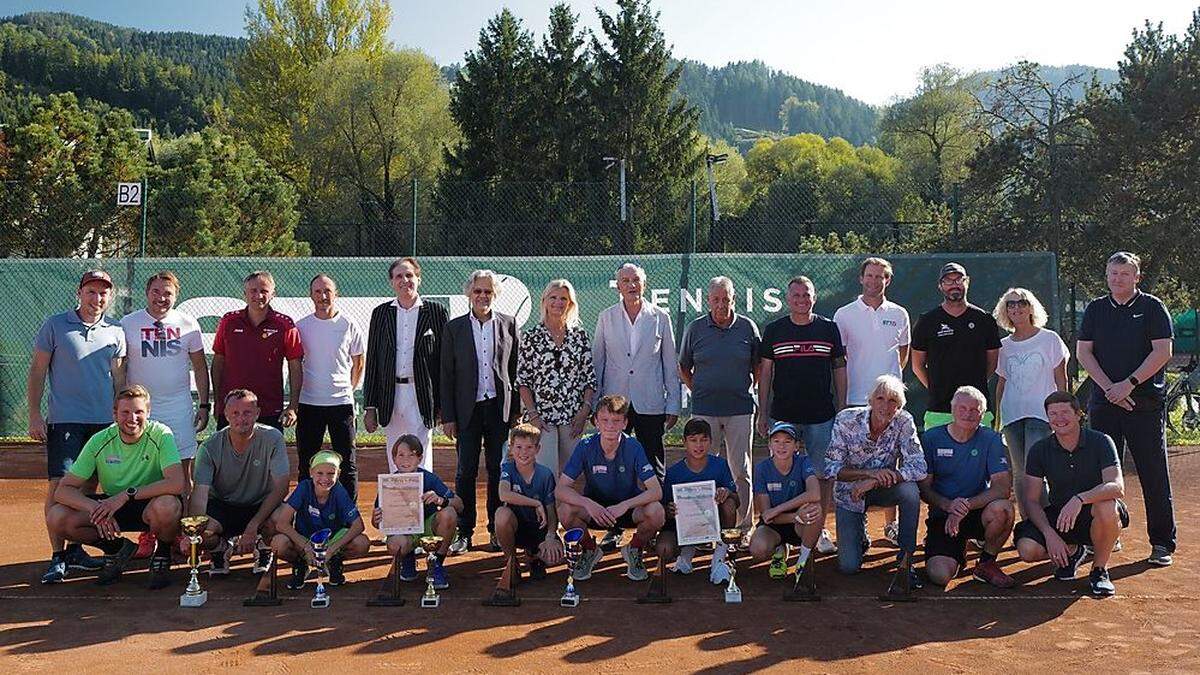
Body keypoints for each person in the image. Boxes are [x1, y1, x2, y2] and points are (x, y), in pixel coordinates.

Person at [1076, 251, 1174, 567]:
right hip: (1105, 403)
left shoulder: (1152, 307)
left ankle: (1162, 543)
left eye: (1124, 273)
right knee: (1101, 474)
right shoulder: (1095, 309)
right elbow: (1083, 353)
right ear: (1107, 276)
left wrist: (1128, 384)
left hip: (1144, 405)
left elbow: (1163, 352)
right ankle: (1107, 534)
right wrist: (1108, 388)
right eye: (1113, 273)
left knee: (1153, 473)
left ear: (1136, 277)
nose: (1118, 279)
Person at [31, 269, 126, 583]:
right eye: (91, 292)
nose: (97, 298)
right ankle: (57, 556)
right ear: (79, 293)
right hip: (66, 421)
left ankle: (76, 552)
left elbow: (119, 378)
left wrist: (120, 417)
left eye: (103, 293)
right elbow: (38, 372)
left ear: (109, 296)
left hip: (103, 422)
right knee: (60, 487)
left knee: (88, 487)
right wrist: (34, 414)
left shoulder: (116, 330)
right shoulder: (55, 325)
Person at [45, 385, 183, 589]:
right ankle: (117, 549)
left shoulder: (161, 435)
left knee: (168, 505)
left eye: (139, 412)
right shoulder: (99, 440)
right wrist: (95, 509)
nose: (132, 418)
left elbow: (177, 482)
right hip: (111, 508)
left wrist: (127, 495)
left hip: (149, 505)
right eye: (125, 412)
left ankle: (161, 556)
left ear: (149, 412)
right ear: (115, 414)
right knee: (57, 516)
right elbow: (63, 490)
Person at [757, 275, 846, 554]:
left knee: (822, 476)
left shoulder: (829, 329)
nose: (801, 300)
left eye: (806, 295)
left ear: (814, 298)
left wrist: (842, 408)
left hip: (822, 415)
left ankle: (817, 528)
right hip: (783, 415)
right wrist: (762, 411)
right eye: (796, 296)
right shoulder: (774, 330)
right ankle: (781, 529)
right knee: (783, 470)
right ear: (787, 299)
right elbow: (766, 372)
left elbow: (839, 369)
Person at [1014, 391, 1129, 597]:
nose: (1059, 419)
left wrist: (1080, 499)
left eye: (1065, 412)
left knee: (1107, 505)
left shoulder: (1101, 441)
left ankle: (1099, 570)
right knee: (1027, 550)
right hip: (1061, 517)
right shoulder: (1040, 449)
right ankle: (1073, 551)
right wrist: (1049, 534)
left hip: (1094, 514)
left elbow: (1117, 487)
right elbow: (1031, 500)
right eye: (1053, 414)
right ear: (1047, 419)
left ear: (1078, 415)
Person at [441, 269, 520, 554]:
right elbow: (446, 374)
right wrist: (447, 416)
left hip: (499, 409)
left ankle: (496, 531)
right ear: (469, 294)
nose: (483, 296)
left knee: (498, 470)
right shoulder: (454, 328)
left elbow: (514, 370)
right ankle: (464, 531)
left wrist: (516, 412)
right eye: (478, 291)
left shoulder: (509, 324)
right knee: (465, 471)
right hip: (467, 410)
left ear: (494, 294)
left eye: (488, 291)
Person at [834, 257, 910, 546]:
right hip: (856, 399)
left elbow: (902, 354)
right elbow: (840, 359)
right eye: (870, 275)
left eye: (881, 276)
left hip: (891, 403)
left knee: (892, 461)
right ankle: (859, 521)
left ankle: (892, 525)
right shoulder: (844, 314)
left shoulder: (900, 314)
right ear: (861, 278)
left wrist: (889, 391)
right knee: (857, 464)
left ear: (887, 280)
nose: (875, 281)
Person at [678, 276, 760, 535]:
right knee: (703, 470)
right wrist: (699, 389)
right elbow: (683, 366)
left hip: (740, 409)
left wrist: (746, 388)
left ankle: (743, 527)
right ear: (708, 300)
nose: (721, 304)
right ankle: (704, 527)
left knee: (741, 469)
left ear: (733, 299)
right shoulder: (695, 328)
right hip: (704, 409)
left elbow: (758, 365)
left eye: (726, 299)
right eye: (716, 299)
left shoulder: (747, 327)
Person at [824, 375, 926, 581]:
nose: (886, 406)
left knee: (910, 492)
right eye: (880, 398)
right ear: (870, 400)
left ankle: (905, 561)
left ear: (899, 405)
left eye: (892, 401)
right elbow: (830, 468)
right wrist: (868, 474)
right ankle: (859, 536)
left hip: (884, 489)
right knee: (849, 566)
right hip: (850, 495)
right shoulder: (846, 419)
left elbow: (919, 466)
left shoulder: (904, 421)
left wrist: (873, 481)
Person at [555, 394, 666, 582]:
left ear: (625, 423)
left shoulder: (634, 446)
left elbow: (656, 491)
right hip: (596, 511)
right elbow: (560, 489)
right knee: (565, 510)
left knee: (656, 512)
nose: (610, 426)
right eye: (605, 420)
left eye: (616, 421)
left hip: (627, 510)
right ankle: (590, 550)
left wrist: (625, 505)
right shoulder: (585, 446)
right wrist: (587, 503)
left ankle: (634, 548)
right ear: (596, 422)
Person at [918, 386, 1016, 588]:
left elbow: (1002, 488)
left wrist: (965, 506)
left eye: (974, 410)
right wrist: (948, 506)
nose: (968, 414)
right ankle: (954, 551)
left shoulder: (991, 439)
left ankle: (986, 563)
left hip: (977, 511)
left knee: (1004, 509)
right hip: (943, 515)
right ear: (952, 410)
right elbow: (924, 488)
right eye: (962, 408)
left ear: (982, 414)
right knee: (940, 576)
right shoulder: (930, 439)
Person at [121, 270, 210, 492]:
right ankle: (152, 524)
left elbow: (200, 367)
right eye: (156, 292)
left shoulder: (188, 323)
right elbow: (119, 368)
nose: (161, 297)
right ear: (147, 293)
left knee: (183, 473)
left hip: (178, 409)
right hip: (140, 411)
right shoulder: (127, 323)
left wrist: (204, 405)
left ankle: (185, 525)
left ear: (176, 295)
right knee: (144, 470)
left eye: (167, 293)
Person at [187, 389, 290, 575]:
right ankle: (219, 548)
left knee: (282, 517)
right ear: (225, 414)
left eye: (247, 413)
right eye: (235, 413)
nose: (241, 419)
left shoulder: (273, 438)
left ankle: (263, 546)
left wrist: (253, 526)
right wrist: (193, 534)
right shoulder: (209, 447)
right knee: (203, 530)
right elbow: (200, 495)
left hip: (260, 505)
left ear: (257, 413)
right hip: (223, 507)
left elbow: (281, 487)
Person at [593, 262, 681, 478]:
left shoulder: (661, 317)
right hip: (615, 404)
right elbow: (597, 363)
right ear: (619, 287)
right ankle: (616, 510)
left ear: (644, 284)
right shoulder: (606, 317)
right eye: (626, 281)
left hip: (650, 403)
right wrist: (596, 404)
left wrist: (674, 404)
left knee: (653, 462)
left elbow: (670, 364)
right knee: (614, 461)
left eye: (636, 281)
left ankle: (656, 510)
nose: (631, 285)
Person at [364, 257, 449, 473]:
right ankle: (397, 504)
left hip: (421, 395)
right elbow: (373, 359)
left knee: (420, 454)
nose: (405, 281)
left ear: (419, 279)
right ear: (392, 282)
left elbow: (444, 362)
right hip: (390, 395)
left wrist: (443, 405)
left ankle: (423, 503)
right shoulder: (381, 313)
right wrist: (370, 406)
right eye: (399, 276)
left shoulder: (436, 312)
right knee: (396, 453)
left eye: (409, 275)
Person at [992, 287, 1068, 519]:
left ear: (1031, 306)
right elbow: (1001, 383)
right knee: (1019, 473)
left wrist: (1064, 412)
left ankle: (1046, 521)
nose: (1016, 308)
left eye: (1021, 302)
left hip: (1041, 415)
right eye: (1011, 304)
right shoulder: (1004, 345)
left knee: (1036, 471)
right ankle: (1028, 525)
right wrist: (997, 417)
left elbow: (1061, 378)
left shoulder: (1050, 339)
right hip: (1012, 415)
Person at [296, 273, 365, 499]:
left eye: (327, 291)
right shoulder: (301, 326)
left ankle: (349, 518)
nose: (323, 296)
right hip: (309, 403)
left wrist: (348, 389)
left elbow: (358, 360)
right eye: (318, 291)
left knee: (347, 463)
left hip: (341, 404)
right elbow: (295, 363)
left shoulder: (348, 324)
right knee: (307, 462)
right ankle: (305, 514)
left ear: (336, 294)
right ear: (310, 295)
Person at [517, 279, 597, 472]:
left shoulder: (580, 336)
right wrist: (533, 415)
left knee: (570, 473)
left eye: (563, 299)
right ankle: (546, 504)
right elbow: (523, 381)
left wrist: (584, 412)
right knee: (547, 472)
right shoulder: (531, 337)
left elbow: (589, 378)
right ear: (544, 301)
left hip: (573, 417)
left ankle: (566, 504)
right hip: (542, 418)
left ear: (570, 304)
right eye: (553, 298)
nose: (558, 303)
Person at [911, 262, 1002, 429]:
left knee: (979, 454)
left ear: (967, 282)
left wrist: (976, 384)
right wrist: (935, 387)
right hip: (939, 409)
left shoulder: (985, 320)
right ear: (940, 286)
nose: (954, 285)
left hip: (977, 408)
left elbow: (992, 363)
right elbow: (917, 365)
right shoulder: (927, 321)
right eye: (948, 281)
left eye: (959, 280)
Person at [211, 271, 303, 431]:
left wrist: (293, 406)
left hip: (269, 408)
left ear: (273, 294)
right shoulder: (229, 321)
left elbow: (295, 365)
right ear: (244, 294)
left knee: (268, 456)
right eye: (253, 291)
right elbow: (218, 361)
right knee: (227, 456)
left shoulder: (284, 324)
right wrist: (218, 402)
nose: (258, 295)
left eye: (264, 291)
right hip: (233, 408)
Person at [371, 435, 460, 591]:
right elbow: (378, 523)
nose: (406, 460)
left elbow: (459, 504)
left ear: (419, 458)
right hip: (404, 532)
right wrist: (375, 519)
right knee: (394, 545)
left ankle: (436, 563)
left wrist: (441, 500)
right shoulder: (388, 483)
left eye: (412, 455)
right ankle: (407, 559)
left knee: (449, 513)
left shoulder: (429, 478)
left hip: (428, 528)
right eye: (401, 455)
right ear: (394, 459)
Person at [270, 451, 370, 589]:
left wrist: (332, 549)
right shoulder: (304, 487)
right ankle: (300, 563)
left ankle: (334, 561)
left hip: (331, 541)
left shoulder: (339, 491)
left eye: (331, 473)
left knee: (362, 543)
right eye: (320, 473)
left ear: (338, 474)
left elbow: (358, 526)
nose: (325, 478)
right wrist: (305, 546)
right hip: (304, 540)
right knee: (278, 543)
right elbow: (282, 524)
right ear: (311, 472)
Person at [657, 418, 739, 584]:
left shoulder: (721, 465)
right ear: (684, 442)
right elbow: (663, 509)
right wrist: (669, 509)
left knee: (729, 504)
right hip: (682, 529)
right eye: (693, 440)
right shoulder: (674, 473)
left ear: (711, 442)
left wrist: (727, 492)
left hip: (712, 524)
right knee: (664, 549)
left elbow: (737, 500)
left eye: (703, 440)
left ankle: (719, 560)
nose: (698, 445)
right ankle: (686, 553)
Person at [746, 422, 823, 580]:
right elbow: (767, 515)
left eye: (787, 441)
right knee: (758, 550)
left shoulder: (804, 462)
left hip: (800, 524)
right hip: (774, 524)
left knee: (815, 510)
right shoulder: (762, 468)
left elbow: (815, 494)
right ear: (770, 445)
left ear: (796, 446)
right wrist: (793, 515)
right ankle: (779, 549)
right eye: (776, 441)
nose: (782, 446)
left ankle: (803, 561)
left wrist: (781, 509)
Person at [495, 424, 564, 582]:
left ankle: (534, 557)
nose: (523, 452)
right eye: (518, 447)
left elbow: (551, 511)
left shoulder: (545, 474)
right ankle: (511, 562)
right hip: (516, 528)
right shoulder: (508, 468)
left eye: (529, 447)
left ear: (538, 449)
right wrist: (535, 503)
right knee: (501, 515)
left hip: (539, 529)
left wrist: (550, 536)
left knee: (555, 557)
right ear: (511, 448)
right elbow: (503, 494)